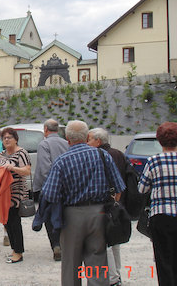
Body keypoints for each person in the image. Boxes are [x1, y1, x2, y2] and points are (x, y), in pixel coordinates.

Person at [42, 120, 125, 286]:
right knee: (97, 261)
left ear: (67, 139)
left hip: (71, 216)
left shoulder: (62, 161)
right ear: (87, 136)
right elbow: (119, 187)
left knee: (71, 263)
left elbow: (50, 194)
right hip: (99, 213)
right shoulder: (102, 156)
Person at [138, 122, 177, 286]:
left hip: (161, 215)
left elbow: (142, 188)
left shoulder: (154, 161)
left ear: (159, 140)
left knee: (163, 257)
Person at [87, 128, 128, 286]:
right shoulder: (118, 153)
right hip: (116, 205)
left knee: (105, 243)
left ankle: (112, 279)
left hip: (104, 205)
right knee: (115, 241)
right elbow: (122, 180)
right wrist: (117, 202)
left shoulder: (99, 156)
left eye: (89, 139)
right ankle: (117, 274)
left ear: (98, 141)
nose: (87, 143)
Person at [33, 119, 68, 261]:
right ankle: (64, 244)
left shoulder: (44, 144)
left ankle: (56, 245)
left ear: (46, 129)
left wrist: (43, 188)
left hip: (50, 187)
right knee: (63, 216)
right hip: (66, 187)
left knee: (49, 217)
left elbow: (44, 168)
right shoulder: (66, 143)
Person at [0, 127, 31, 264]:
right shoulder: (2, 154)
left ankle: (19, 251)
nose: (6, 140)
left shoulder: (21, 153)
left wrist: (13, 168)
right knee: (6, 221)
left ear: (16, 139)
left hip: (16, 193)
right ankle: (14, 249)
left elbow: (27, 171)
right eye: (4, 138)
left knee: (14, 222)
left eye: (9, 137)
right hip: (4, 194)